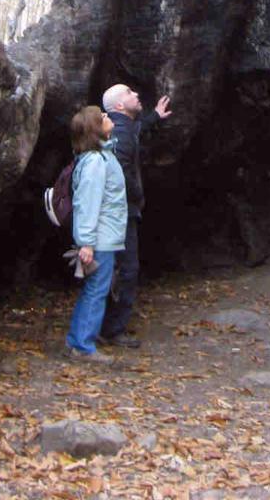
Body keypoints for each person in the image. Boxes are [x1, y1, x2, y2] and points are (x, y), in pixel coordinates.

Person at [97, 83, 172, 349]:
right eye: (129, 93)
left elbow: (136, 133)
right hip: (120, 212)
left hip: (120, 211)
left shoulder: (124, 127)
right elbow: (121, 170)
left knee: (118, 268)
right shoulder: (119, 132)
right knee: (125, 269)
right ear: (118, 106)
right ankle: (111, 329)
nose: (136, 94)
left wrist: (154, 118)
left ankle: (106, 326)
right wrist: (136, 194)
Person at [64, 105, 127, 361]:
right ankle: (83, 345)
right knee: (96, 290)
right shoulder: (95, 162)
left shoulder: (102, 156)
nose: (108, 117)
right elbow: (87, 203)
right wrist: (86, 243)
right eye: (102, 117)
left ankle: (77, 340)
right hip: (99, 238)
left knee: (95, 288)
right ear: (94, 129)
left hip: (105, 236)